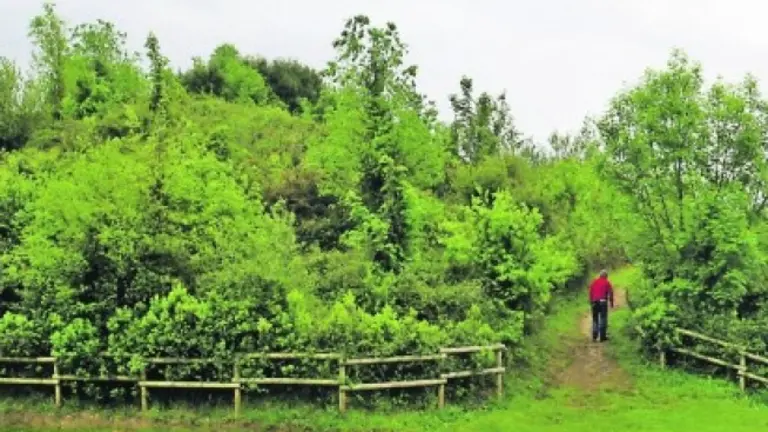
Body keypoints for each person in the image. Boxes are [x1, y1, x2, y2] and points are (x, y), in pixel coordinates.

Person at [589, 269, 614, 342]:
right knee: (603, 318)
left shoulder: (594, 282)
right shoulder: (607, 282)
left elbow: (590, 293)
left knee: (595, 319)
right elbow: (611, 292)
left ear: (600, 275)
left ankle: (594, 336)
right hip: (603, 302)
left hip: (594, 302)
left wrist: (591, 302)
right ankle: (602, 337)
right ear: (606, 276)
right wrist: (611, 302)